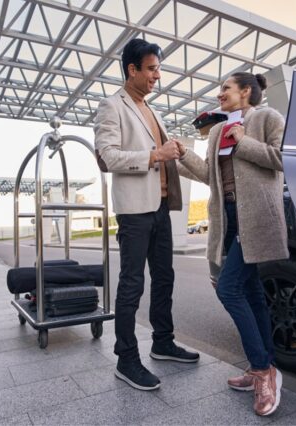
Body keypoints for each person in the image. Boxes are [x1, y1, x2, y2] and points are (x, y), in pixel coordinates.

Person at [176, 72, 288, 416]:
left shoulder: (268, 117)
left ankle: (261, 369)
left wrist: (243, 142)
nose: (219, 93)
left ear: (245, 91)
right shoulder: (219, 130)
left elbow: (283, 159)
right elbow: (209, 175)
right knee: (250, 291)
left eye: (225, 87)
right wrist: (182, 154)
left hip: (258, 217)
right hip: (228, 217)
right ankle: (266, 364)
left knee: (228, 289)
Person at [93, 38, 200, 391]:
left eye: (158, 69)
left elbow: (163, 154)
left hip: (159, 210)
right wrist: (155, 155)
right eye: (151, 69)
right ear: (132, 70)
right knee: (131, 284)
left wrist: (174, 152)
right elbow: (108, 157)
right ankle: (126, 359)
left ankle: (163, 342)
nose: (157, 76)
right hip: (135, 213)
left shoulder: (152, 111)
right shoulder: (112, 106)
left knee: (164, 278)